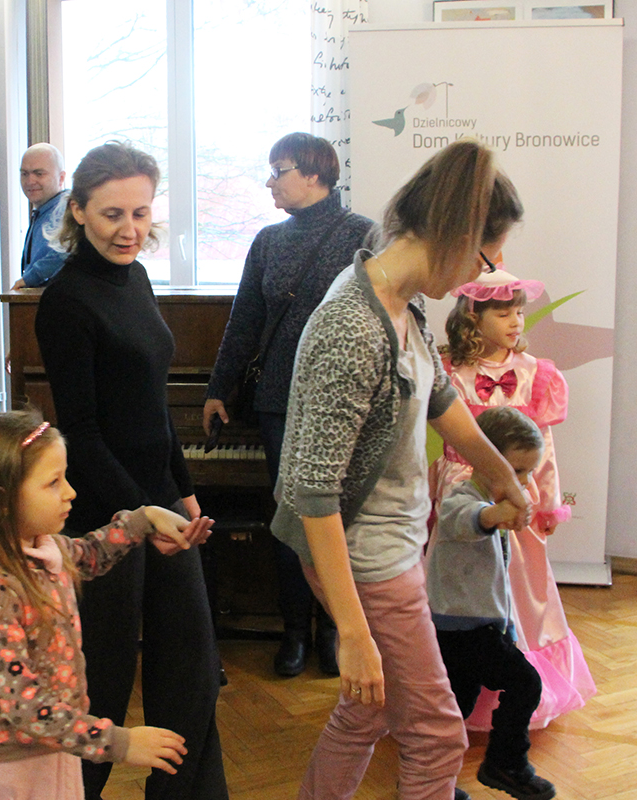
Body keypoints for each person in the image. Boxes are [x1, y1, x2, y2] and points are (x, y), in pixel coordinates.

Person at [271, 139, 530, 800]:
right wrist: (354, 634)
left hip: (388, 546)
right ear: (458, 234)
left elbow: (438, 395)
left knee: (368, 710)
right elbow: (313, 492)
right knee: (438, 736)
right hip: (367, 559)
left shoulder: (401, 302)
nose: (478, 278)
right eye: (485, 259)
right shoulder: (352, 326)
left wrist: (499, 472)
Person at [35, 141, 228, 800]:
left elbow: (154, 406)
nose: (129, 229)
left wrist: (185, 495)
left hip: (162, 507)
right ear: (78, 211)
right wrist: (141, 517)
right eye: (112, 213)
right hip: (105, 517)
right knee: (103, 684)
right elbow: (83, 435)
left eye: (141, 213)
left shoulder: (138, 279)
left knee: (192, 673)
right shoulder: (65, 301)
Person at [0, 410, 212, 800]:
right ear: (2, 498)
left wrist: (146, 518)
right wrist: (119, 742)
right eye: (53, 483)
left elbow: (92, 551)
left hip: (53, 747)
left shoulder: (45, 548)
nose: (70, 492)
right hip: (7, 771)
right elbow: (23, 706)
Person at [203, 132, 373, 677]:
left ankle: (335, 629)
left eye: (279, 171)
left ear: (315, 174)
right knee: (290, 520)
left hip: (346, 402)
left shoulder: (365, 236)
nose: (269, 182)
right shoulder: (268, 241)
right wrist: (217, 389)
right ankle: (295, 630)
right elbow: (244, 321)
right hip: (278, 400)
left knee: (343, 520)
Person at [431, 268, 596, 728]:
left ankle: (518, 675)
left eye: (519, 313)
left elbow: (544, 449)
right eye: (503, 313)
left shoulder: (535, 374)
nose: (516, 322)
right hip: (463, 488)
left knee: (520, 584)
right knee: (463, 578)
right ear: (473, 317)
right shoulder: (450, 372)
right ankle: (456, 679)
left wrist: (548, 502)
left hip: (518, 494)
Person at [427, 406, 556, 800]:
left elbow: (493, 580)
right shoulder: (461, 496)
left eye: (528, 472)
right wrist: (497, 514)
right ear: (485, 460)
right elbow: (464, 519)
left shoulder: (492, 503)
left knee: (454, 710)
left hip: (479, 627)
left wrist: (507, 626)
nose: (524, 482)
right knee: (524, 682)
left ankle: (428, 782)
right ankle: (505, 763)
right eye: (516, 471)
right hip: (458, 631)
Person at [11, 143, 69, 289]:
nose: (30, 181)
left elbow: (64, 251)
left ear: (61, 178)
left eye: (39, 174)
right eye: (24, 174)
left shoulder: (66, 209)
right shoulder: (44, 211)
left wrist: (30, 279)